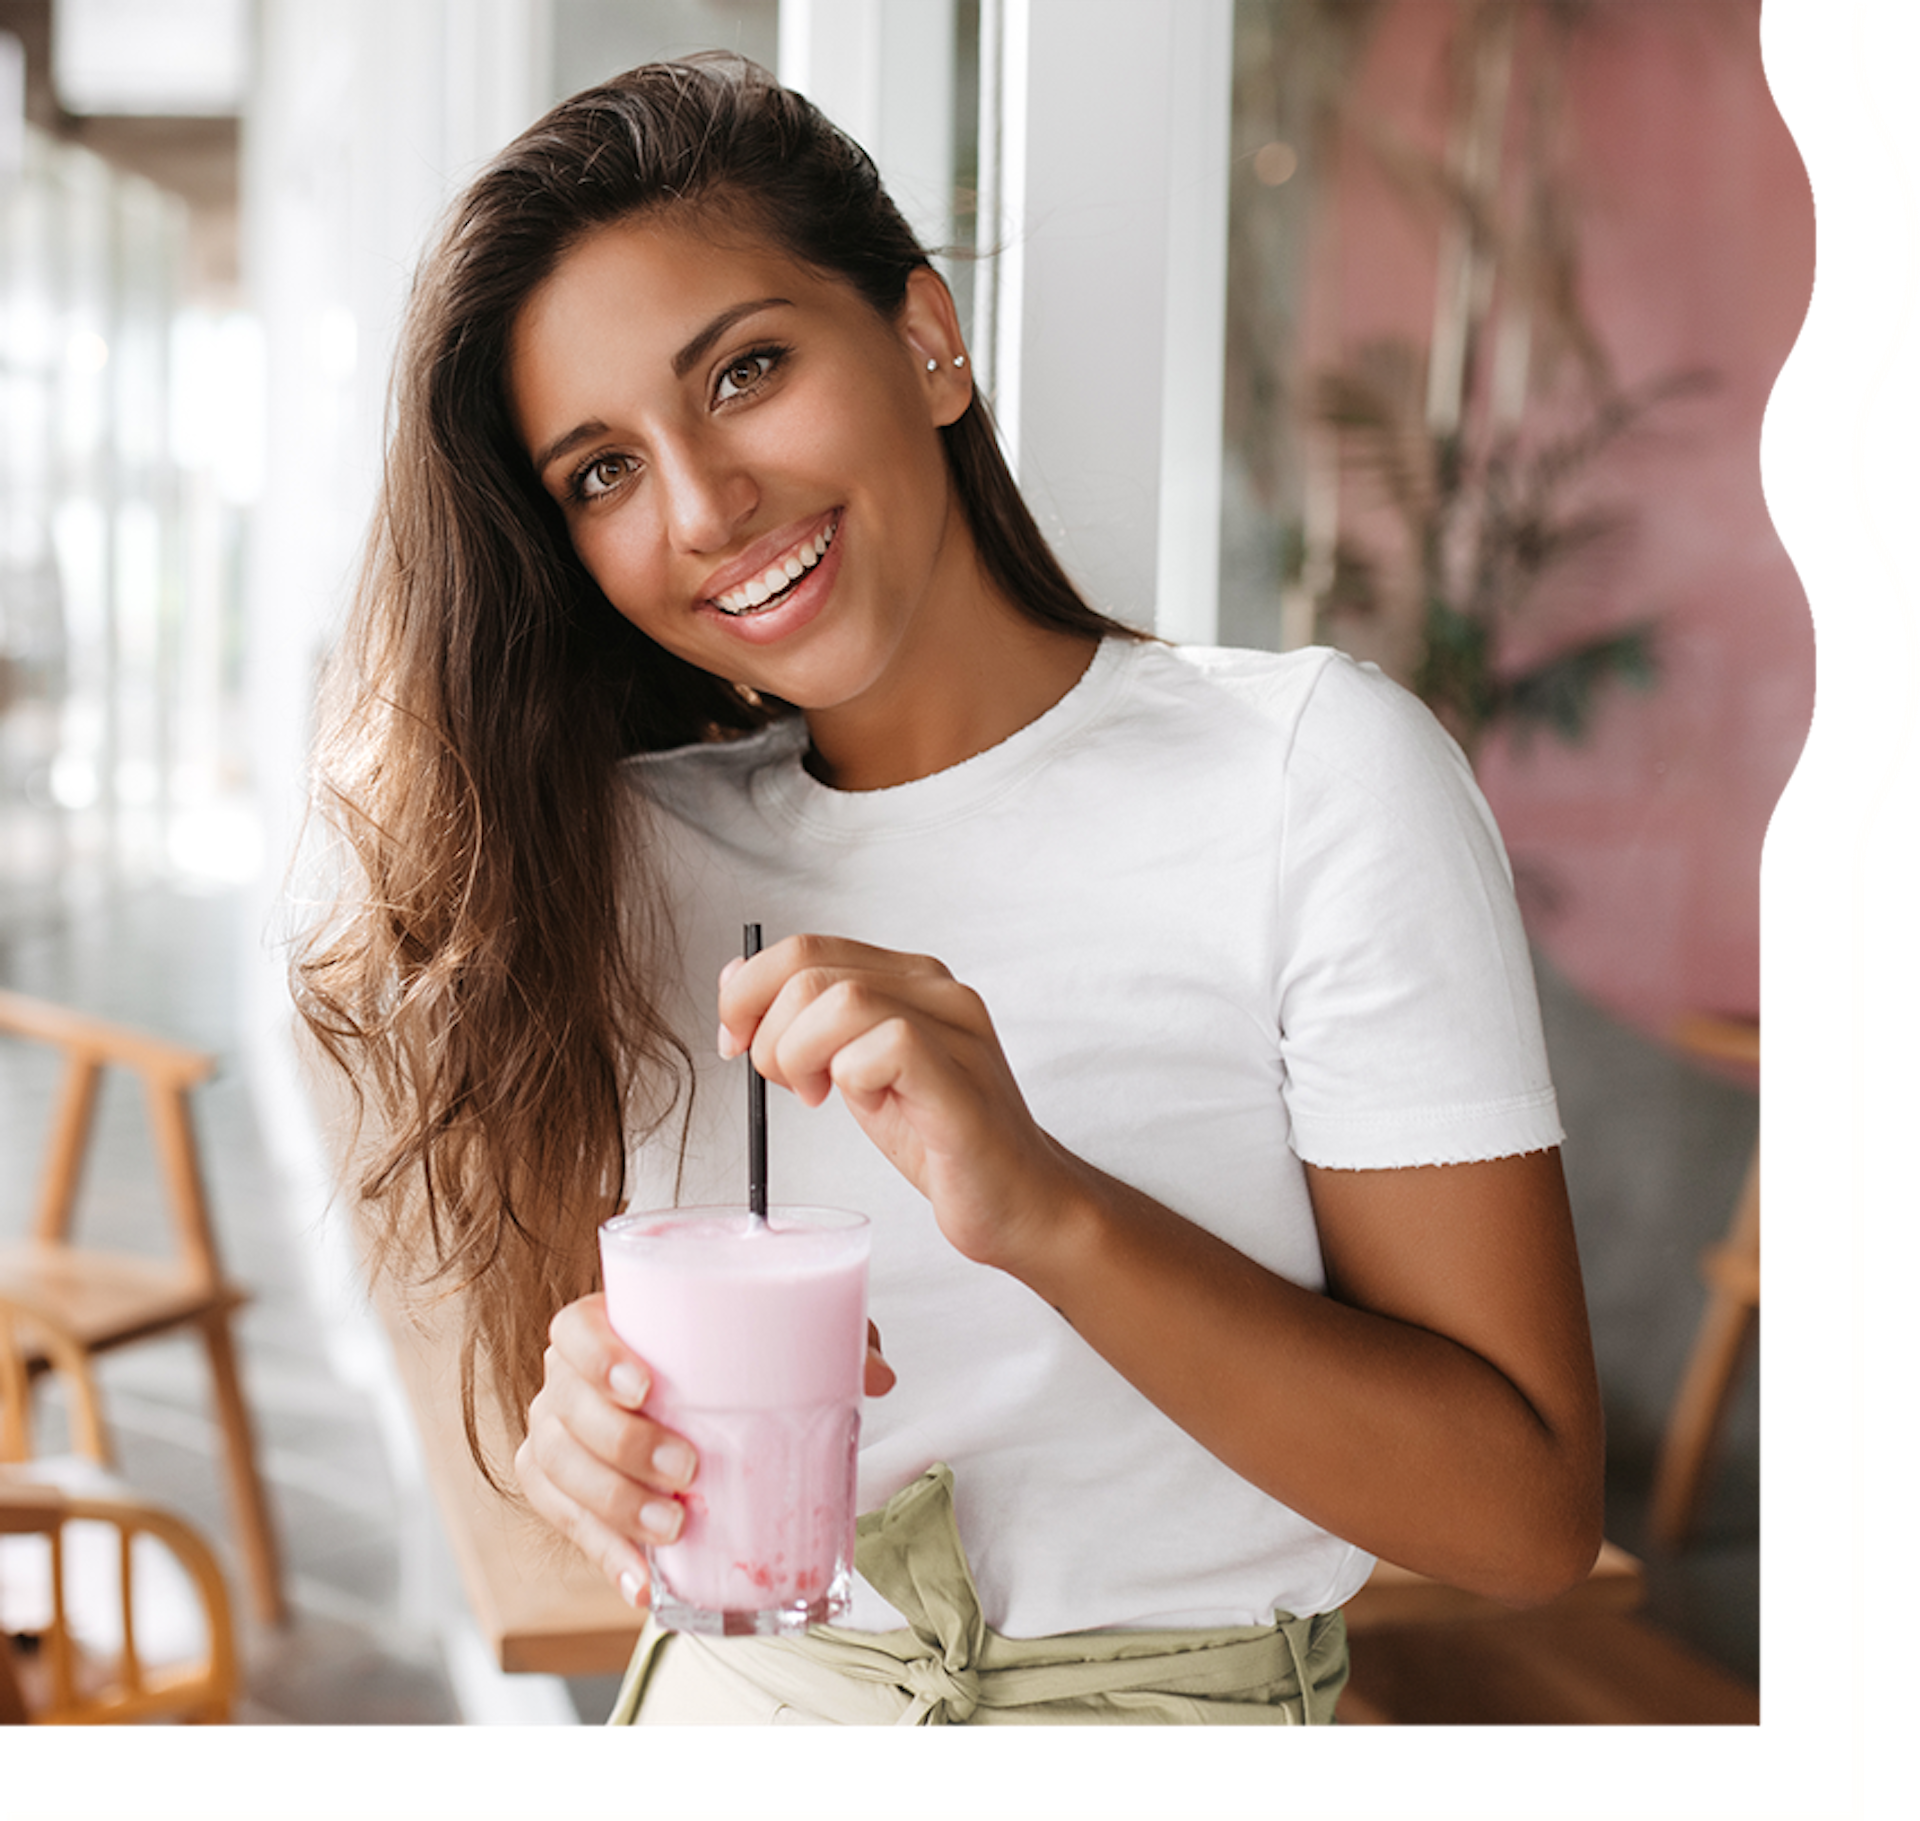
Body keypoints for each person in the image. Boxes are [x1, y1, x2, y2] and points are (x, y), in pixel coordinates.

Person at [292, 51, 1604, 1727]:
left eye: (745, 371)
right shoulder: (616, 855)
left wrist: (1043, 1207)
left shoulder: (1310, 779)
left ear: (925, 340)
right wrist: (583, 1426)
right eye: (600, 472)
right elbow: (608, 1403)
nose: (703, 508)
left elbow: (1526, 1519)